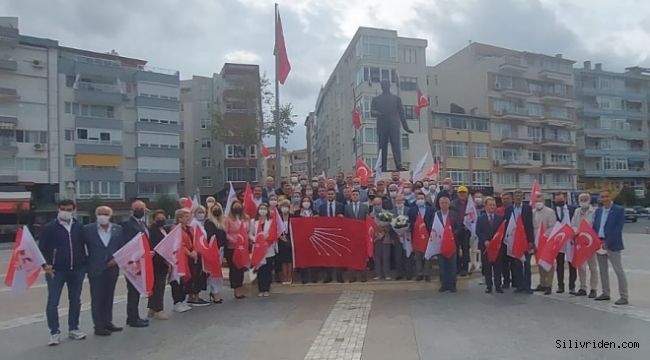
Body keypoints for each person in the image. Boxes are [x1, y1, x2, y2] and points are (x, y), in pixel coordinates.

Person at [39, 199, 87, 345]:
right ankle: (54, 332)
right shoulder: (49, 228)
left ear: (73, 210)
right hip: (56, 271)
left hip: (77, 269)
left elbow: (84, 246)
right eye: (63, 209)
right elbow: (41, 248)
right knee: (53, 302)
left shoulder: (79, 227)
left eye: (69, 209)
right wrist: (44, 264)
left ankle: (74, 328)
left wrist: (84, 264)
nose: (66, 212)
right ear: (58, 209)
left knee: (76, 300)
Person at [83, 206, 124, 336]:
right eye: (100, 213)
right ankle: (98, 326)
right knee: (97, 298)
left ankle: (108, 322)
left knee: (109, 296)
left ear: (110, 215)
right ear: (96, 215)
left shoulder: (117, 229)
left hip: (112, 267)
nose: (103, 216)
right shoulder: (87, 230)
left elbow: (122, 247)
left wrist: (117, 259)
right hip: (96, 268)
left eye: (105, 214)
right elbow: (82, 248)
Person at [593, 189, 628, 305]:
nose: (604, 199)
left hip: (613, 245)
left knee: (619, 271)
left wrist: (607, 242)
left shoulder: (618, 210)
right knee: (603, 271)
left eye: (606, 196)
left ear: (611, 197)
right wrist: (597, 241)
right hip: (600, 244)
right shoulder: (598, 211)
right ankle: (605, 293)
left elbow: (618, 229)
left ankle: (624, 296)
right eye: (602, 197)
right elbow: (595, 227)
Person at [120, 200, 150, 328]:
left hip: (143, 260)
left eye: (142, 208)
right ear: (131, 210)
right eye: (137, 208)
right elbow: (129, 244)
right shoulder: (128, 225)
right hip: (133, 262)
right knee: (133, 290)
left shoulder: (143, 223)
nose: (140, 210)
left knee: (137, 290)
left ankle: (134, 316)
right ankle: (132, 318)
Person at [507, 190, 535, 294]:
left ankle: (527, 286)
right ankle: (519, 285)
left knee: (527, 264)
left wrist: (531, 241)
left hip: (526, 240)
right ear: (513, 198)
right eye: (516, 196)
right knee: (517, 264)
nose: (518, 198)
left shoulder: (528, 208)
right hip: (514, 241)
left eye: (520, 196)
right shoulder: (509, 209)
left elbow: (530, 225)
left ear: (523, 197)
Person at [571, 193, 598, 298]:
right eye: (581, 200)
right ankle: (582, 287)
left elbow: (596, 225)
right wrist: (575, 232)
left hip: (591, 243)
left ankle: (593, 288)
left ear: (589, 200)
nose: (583, 201)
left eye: (585, 199)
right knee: (581, 267)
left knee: (593, 267)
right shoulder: (577, 212)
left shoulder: (594, 212)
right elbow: (573, 224)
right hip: (580, 242)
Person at [317, 188, 345, 283]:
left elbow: (346, 221)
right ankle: (328, 276)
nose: (330, 195)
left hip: (338, 234)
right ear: (326, 195)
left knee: (339, 255)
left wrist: (342, 218)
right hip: (326, 234)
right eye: (328, 194)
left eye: (332, 194)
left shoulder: (341, 206)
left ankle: (339, 276)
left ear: (335, 195)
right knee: (327, 255)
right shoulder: (322, 207)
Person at [147, 210, 171, 319]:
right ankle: (158, 309)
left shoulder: (164, 230)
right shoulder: (152, 231)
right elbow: (155, 246)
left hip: (164, 261)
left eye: (163, 217)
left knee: (158, 285)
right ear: (154, 219)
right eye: (159, 218)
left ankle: (152, 308)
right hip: (157, 261)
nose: (161, 219)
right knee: (158, 286)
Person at [476, 197, 504, 293]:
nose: (492, 207)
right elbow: (478, 231)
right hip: (486, 247)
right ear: (485, 206)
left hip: (497, 248)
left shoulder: (500, 218)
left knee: (498, 268)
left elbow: (501, 232)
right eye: (490, 205)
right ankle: (489, 286)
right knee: (487, 268)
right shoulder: (480, 218)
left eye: (494, 205)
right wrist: (485, 241)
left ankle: (498, 285)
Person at [224, 200, 249, 299]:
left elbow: (248, 231)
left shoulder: (246, 218)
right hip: (232, 248)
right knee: (234, 269)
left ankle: (240, 287)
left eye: (239, 206)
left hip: (243, 248)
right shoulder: (228, 219)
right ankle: (236, 289)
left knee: (241, 269)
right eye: (235, 206)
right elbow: (225, 233)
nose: (237, 208)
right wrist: (234, 240)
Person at [532, 193, 556, 295]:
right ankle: (542, 283)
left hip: (547, 240)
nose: (538, 203)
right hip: (536, 242)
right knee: (540, 263)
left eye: (540, 201)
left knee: (549, 263)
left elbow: (552, 226)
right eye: (536, 201)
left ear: (544, 201)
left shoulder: (550, 212)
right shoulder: (532, 212)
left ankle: (549, 285)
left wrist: (544, 236)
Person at [250, 204, 277, 297]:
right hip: (258, 249)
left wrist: (267, 239)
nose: (262, 210)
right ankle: (261, 289)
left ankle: (267, 289)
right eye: (261, 209)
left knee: (267, 270)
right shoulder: (253, 222)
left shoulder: (271, 221)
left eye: (264, 209)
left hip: (268, 248)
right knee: (260, 270)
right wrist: (257, 239)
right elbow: (250, 234)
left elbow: (273, 233)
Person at [344, 189, 370, 282]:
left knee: (362, 256)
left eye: (356, 195)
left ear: (359, 196)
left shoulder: (365, 207)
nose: (355, 196)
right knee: (351, 256)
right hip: (351, 235)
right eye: (353, 195)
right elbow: (345, 222)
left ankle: (363, 276)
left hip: (362, 234)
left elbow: (368, 220)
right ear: (351, 196)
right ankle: (352, 277)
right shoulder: (347, 207)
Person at [170, 209, 193, 313]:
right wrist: (189, 253)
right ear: (179, 218)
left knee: (184, 280)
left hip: (187, 257)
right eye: (186, 217)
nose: (188, 219)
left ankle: (183, 300)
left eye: (189, 216)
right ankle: (177, 302)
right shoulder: (175, 229)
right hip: (178, 258)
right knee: (177, 280)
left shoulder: (188, 228)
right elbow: (179, 244)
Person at [408, 192, 434, 281]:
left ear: (425, 199)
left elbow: (432, 221)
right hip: (416, 235)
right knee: (418, 256)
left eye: (422, 198)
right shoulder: (412, 210)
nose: (420, 200)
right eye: (418, 198)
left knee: (428, 256)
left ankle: (427, 273)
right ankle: (419, 273)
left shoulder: (430, 209)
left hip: (428, 235)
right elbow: (410, 221)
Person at [553, 192, 576, 294]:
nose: (560, 203)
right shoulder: (553, 211)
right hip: (559, 239)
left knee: (572, 263)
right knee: (559, 263)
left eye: (561, 201)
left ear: (565, 199)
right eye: (558, 201)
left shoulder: (572, 209)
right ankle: (560, 286)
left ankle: (572, 286)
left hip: (570, 239)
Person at [204, 203, 227, 304]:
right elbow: (211, 237)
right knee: (213, 271)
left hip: (221, 249)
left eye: (218, 208)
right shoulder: (209, 222)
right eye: (214, 209)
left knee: (218, 271)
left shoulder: (222, 222)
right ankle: (214, 291)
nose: (217, 210)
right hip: (213, 250)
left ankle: (216, 291)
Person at [434, 196, 458, 292]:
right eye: (442, 203)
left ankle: (452, 285)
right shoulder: (436, 215)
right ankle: (444, 285)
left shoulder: (454, 214)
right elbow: (433, 228)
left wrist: (452, 234)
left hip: (451, 243)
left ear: (449, 204)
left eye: (446, 203)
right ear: (439, 204)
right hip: (440, 244)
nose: (444, 204)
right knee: (442, 266)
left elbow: (458, 227)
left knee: (452, 266)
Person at [451, 186, 471, 277]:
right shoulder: (453, 204)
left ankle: (465, 268)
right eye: (460, 193)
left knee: (466, 249)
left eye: (464, 193)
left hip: (467, 230)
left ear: (467, 194)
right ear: (458, 194)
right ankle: (457, 268)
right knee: (456, 250)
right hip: (456, 229)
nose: (462, 194)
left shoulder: (470, 204)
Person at [370, 197, 392, 280]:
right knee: (377, 256)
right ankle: (378, 274)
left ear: (381, 204)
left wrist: (384, 229)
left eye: (378, 204)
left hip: (385, 237)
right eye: (375, 204)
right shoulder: (370, 215)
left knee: (386, 256)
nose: (377, 206)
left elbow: (391, 225)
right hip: (375, 238)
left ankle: (387, 274)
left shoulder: (387, 213)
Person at [391, 194, 412, 280]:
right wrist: (396, 233)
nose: (399, 202)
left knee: (407, 255)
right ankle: (399, 273)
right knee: (398, 255)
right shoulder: (392, 211)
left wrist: (406, 230)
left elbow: (412, 221)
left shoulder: (409, 210)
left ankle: (408, 273)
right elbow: (389, 224)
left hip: (407, 236)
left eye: (401, 200)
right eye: (397, 201)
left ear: (404, 201)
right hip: (396, 236)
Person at [295, 196, 315, 284]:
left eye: (308, 201)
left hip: (313, 238)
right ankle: (304, 278)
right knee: (303, 258)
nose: (306, 202)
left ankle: (314, 277)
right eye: (304, 201)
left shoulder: (315, 212)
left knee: (314, 257)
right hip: (301, 238)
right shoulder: (297, 213)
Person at [277, 199, 294, 284]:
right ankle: (285, 277)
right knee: (283, 260)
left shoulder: (292, 216)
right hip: (281, 239)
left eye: (286, 206)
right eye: (283, 206)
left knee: (290, 260)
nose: (285, 208)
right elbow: (275, 228)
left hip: (291, 239)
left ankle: (290, 277)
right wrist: (280, 236)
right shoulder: (278, 217)